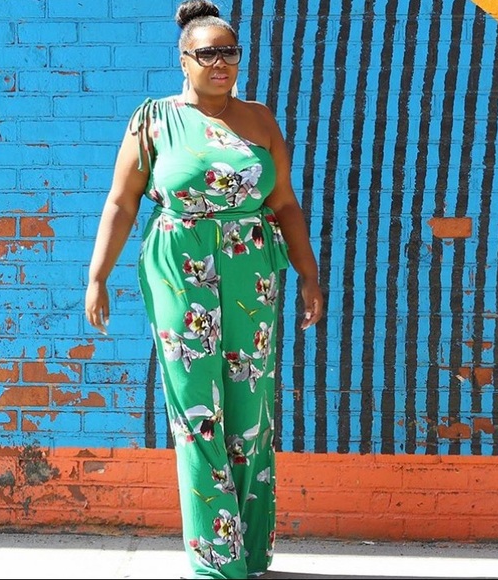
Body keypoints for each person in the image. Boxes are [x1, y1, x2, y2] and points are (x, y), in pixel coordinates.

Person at [85, 1, 323, 577]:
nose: (221, 63)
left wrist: (309, 275)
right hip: (178, 266)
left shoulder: (260, 120)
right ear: (184, 59)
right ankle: (216, 560)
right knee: (198, 406)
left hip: (251, 268)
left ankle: (249, 548)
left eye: (229, 52)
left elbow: (285, 204)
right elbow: (122, 202)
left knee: (249, 405)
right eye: (208, 53)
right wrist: (97, 275)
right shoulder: (153, 120)